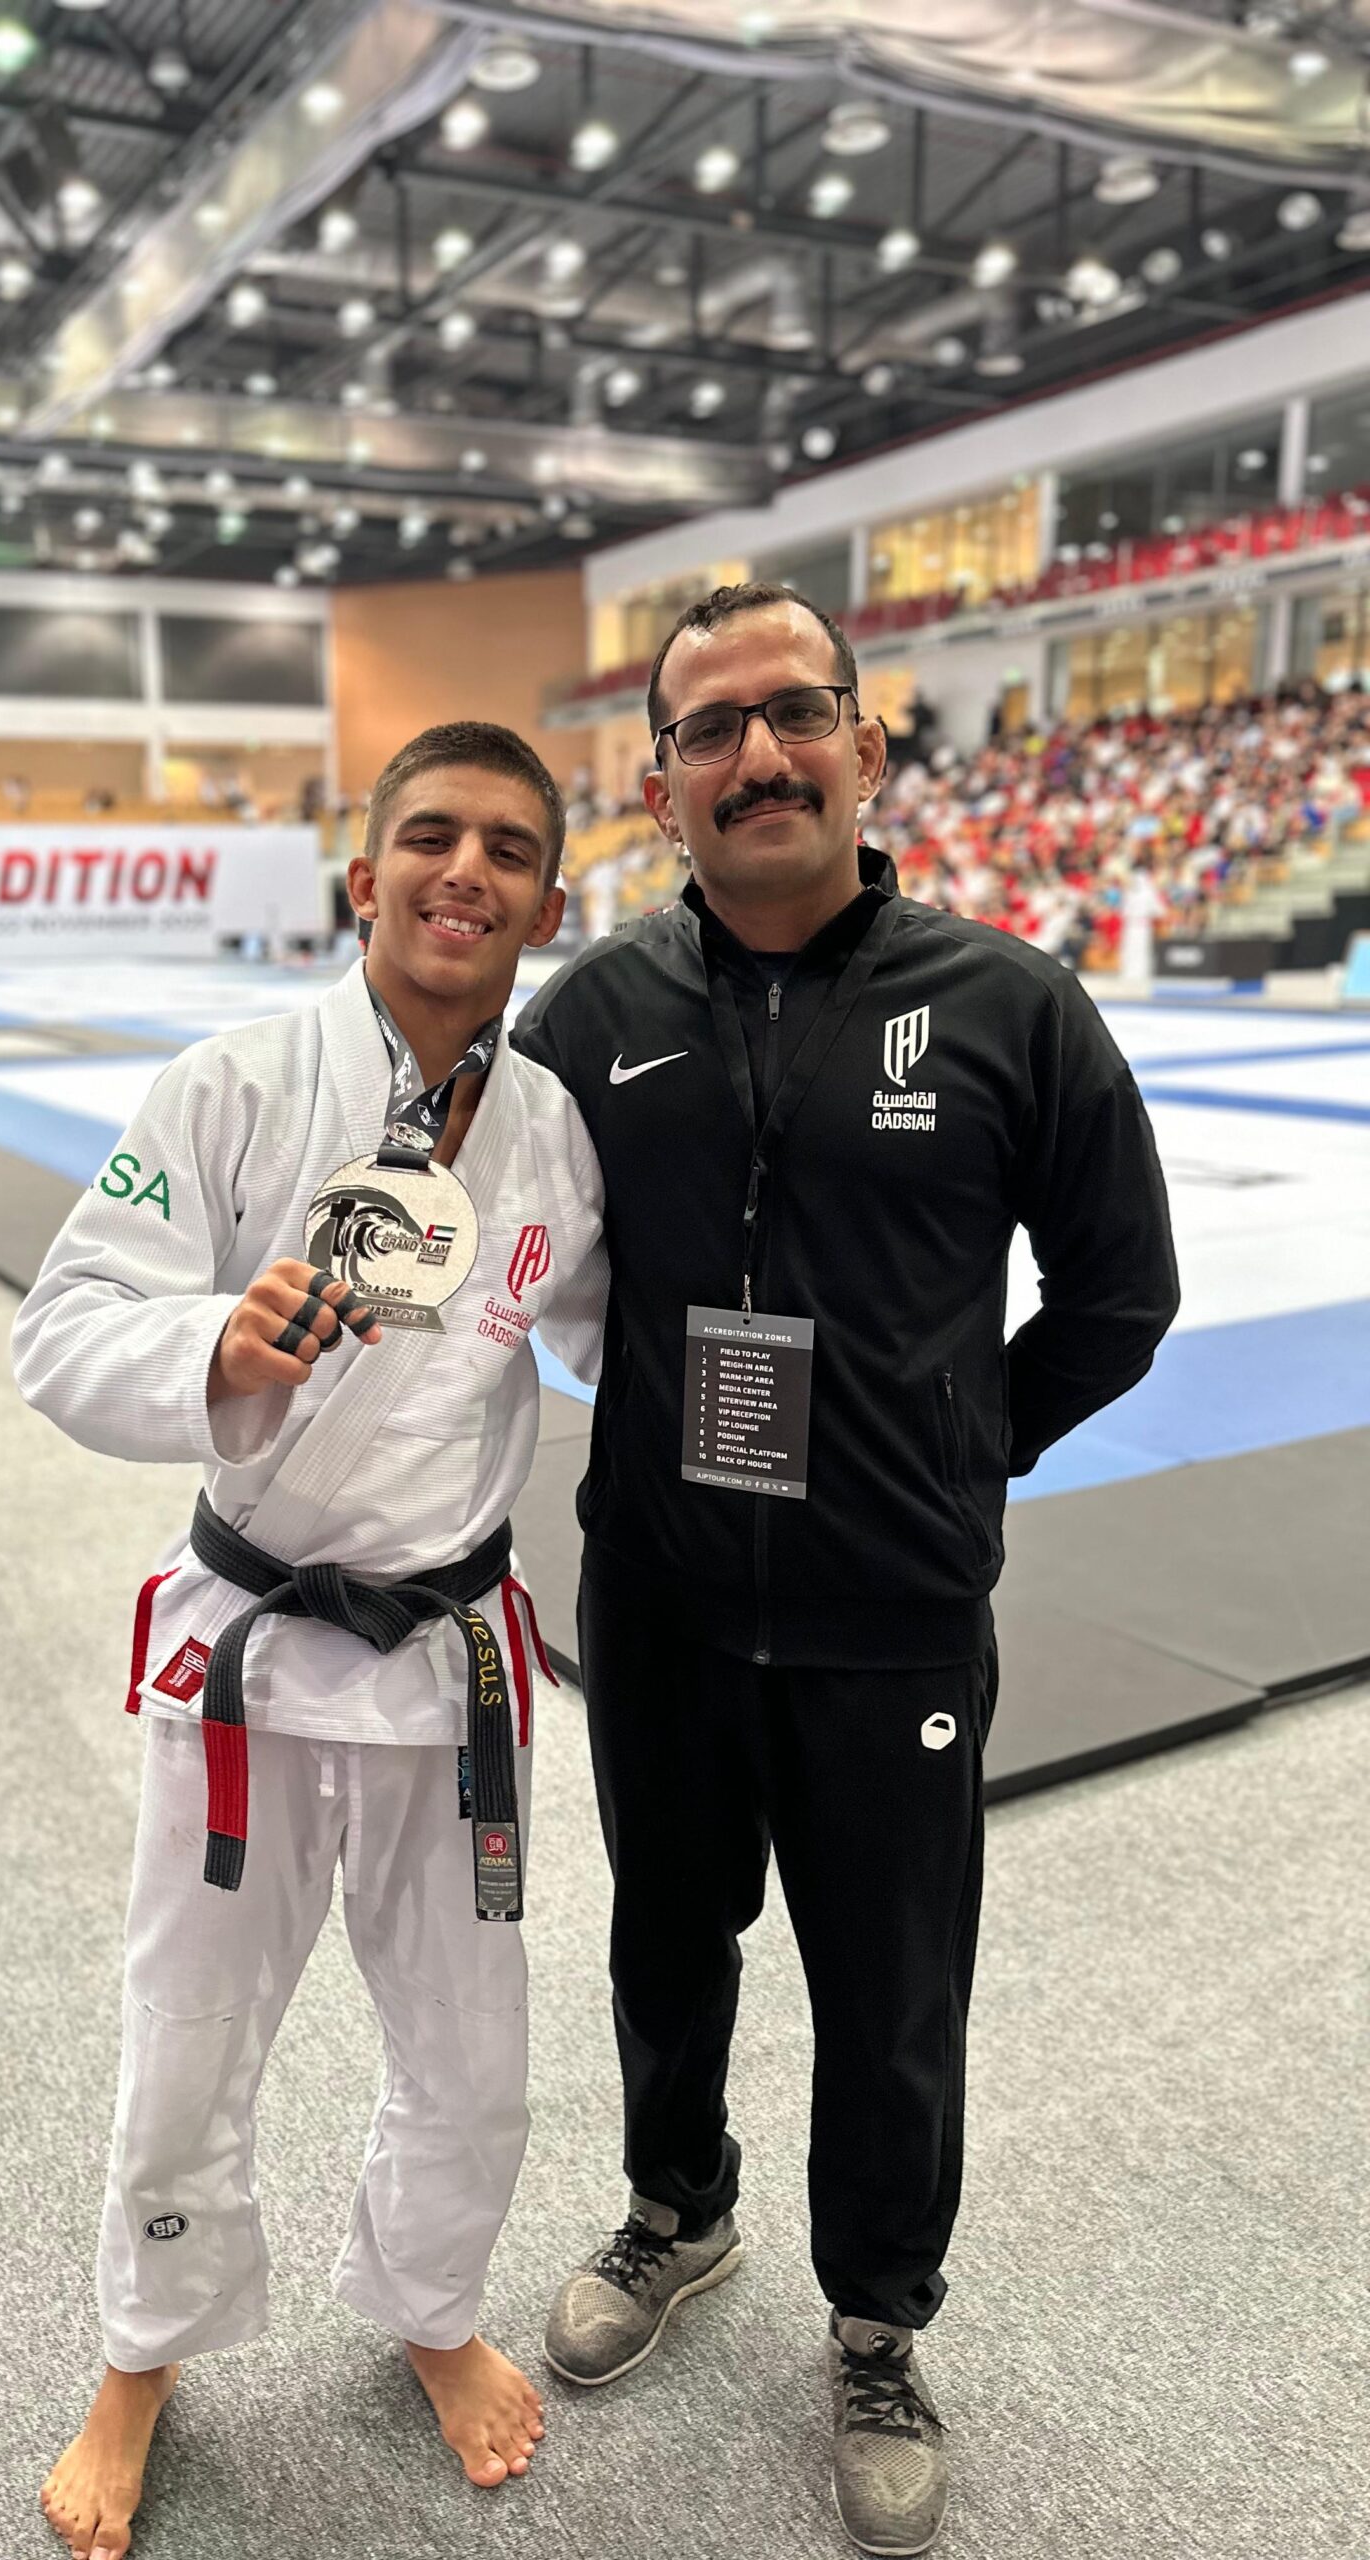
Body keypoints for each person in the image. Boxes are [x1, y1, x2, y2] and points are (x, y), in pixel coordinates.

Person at [511, 583, 1179, 2559]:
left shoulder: (1011, 1006)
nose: (759, 756)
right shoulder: (594, 1017)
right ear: (661, 787)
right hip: (660, 1595)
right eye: (710, 730)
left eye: (795, 712)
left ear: (868, 750)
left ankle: (880, 2321)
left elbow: (1122, 1291)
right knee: (665, 1936)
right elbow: (488, 1254)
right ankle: (677, 2207)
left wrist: (962, 1449)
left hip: (893, 1613)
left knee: (893, 1988)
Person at [12, 721, 608, 2559]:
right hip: (255, 1659)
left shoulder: (558, 1136)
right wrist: (211, 1345)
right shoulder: (235, 1084)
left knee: (476, 2052)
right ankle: (141, 2355)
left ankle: (429, 2309)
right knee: (190, 2033)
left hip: (448, 1671)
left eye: (508, 848)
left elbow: (622, 1328)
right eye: (430, 836)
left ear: (548, 905)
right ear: (366, 877)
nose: (465, 871)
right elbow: (62, 1326)